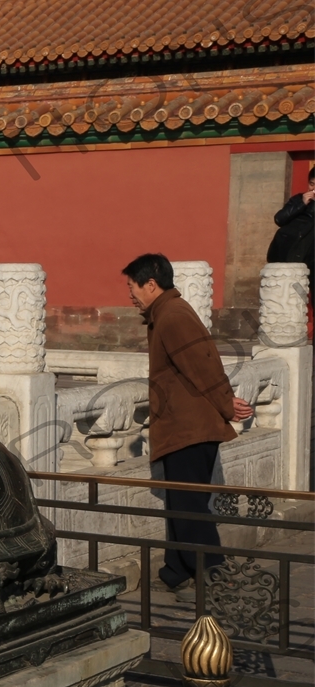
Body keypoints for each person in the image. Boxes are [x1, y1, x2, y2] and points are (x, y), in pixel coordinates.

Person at [122, 253, 253, 600]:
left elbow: (202, 364)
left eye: (132, 286)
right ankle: (176, 571)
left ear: (151, 284)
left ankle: (213, 572)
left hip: (189, 428)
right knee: (180, 502)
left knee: (189, 505)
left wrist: (226, 403)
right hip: (183, 426)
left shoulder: (173, 316)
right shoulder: (166, 313)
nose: (130, 295)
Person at [267, 163, 314, 269]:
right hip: (292, 253)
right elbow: (279, 219)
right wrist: (301, 204)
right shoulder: (298, 199)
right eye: (312, 184)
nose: (313, 189)